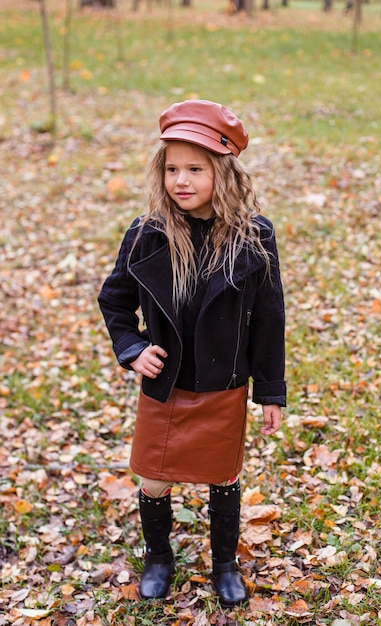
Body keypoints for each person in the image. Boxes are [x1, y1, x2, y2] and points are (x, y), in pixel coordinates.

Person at [98, 99, 286, 608]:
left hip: (224, 383)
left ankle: (225, 563)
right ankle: (159, 556)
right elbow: (114, 301)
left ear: (222, 172)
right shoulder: (146, 234)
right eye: (172, 168)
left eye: (195, 169)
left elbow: (269, 319)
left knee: (222, 477)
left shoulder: (255, 236)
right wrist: (132, 348)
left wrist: (270, 391)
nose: (181, 180)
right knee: (153, 477)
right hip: (166, 383)